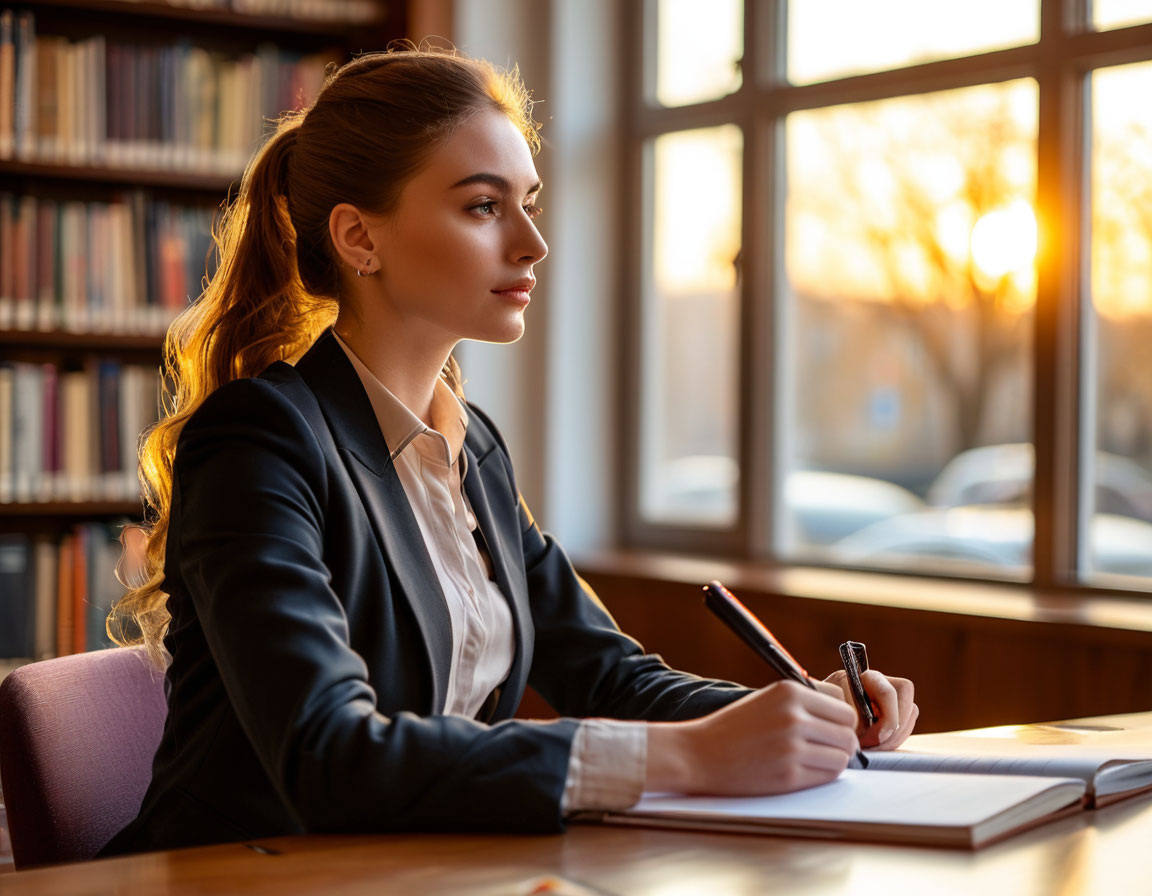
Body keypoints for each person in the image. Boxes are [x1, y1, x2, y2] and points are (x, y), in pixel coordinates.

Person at [102, 46, 918, 855]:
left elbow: (609, 677)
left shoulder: (472, 447)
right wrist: (692, 757)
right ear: (359, 238)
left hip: (412, 871)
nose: (533, 242)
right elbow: (331, 755)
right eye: (484, 206)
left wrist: (798, 713)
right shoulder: (258, 441)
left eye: (529, 202)